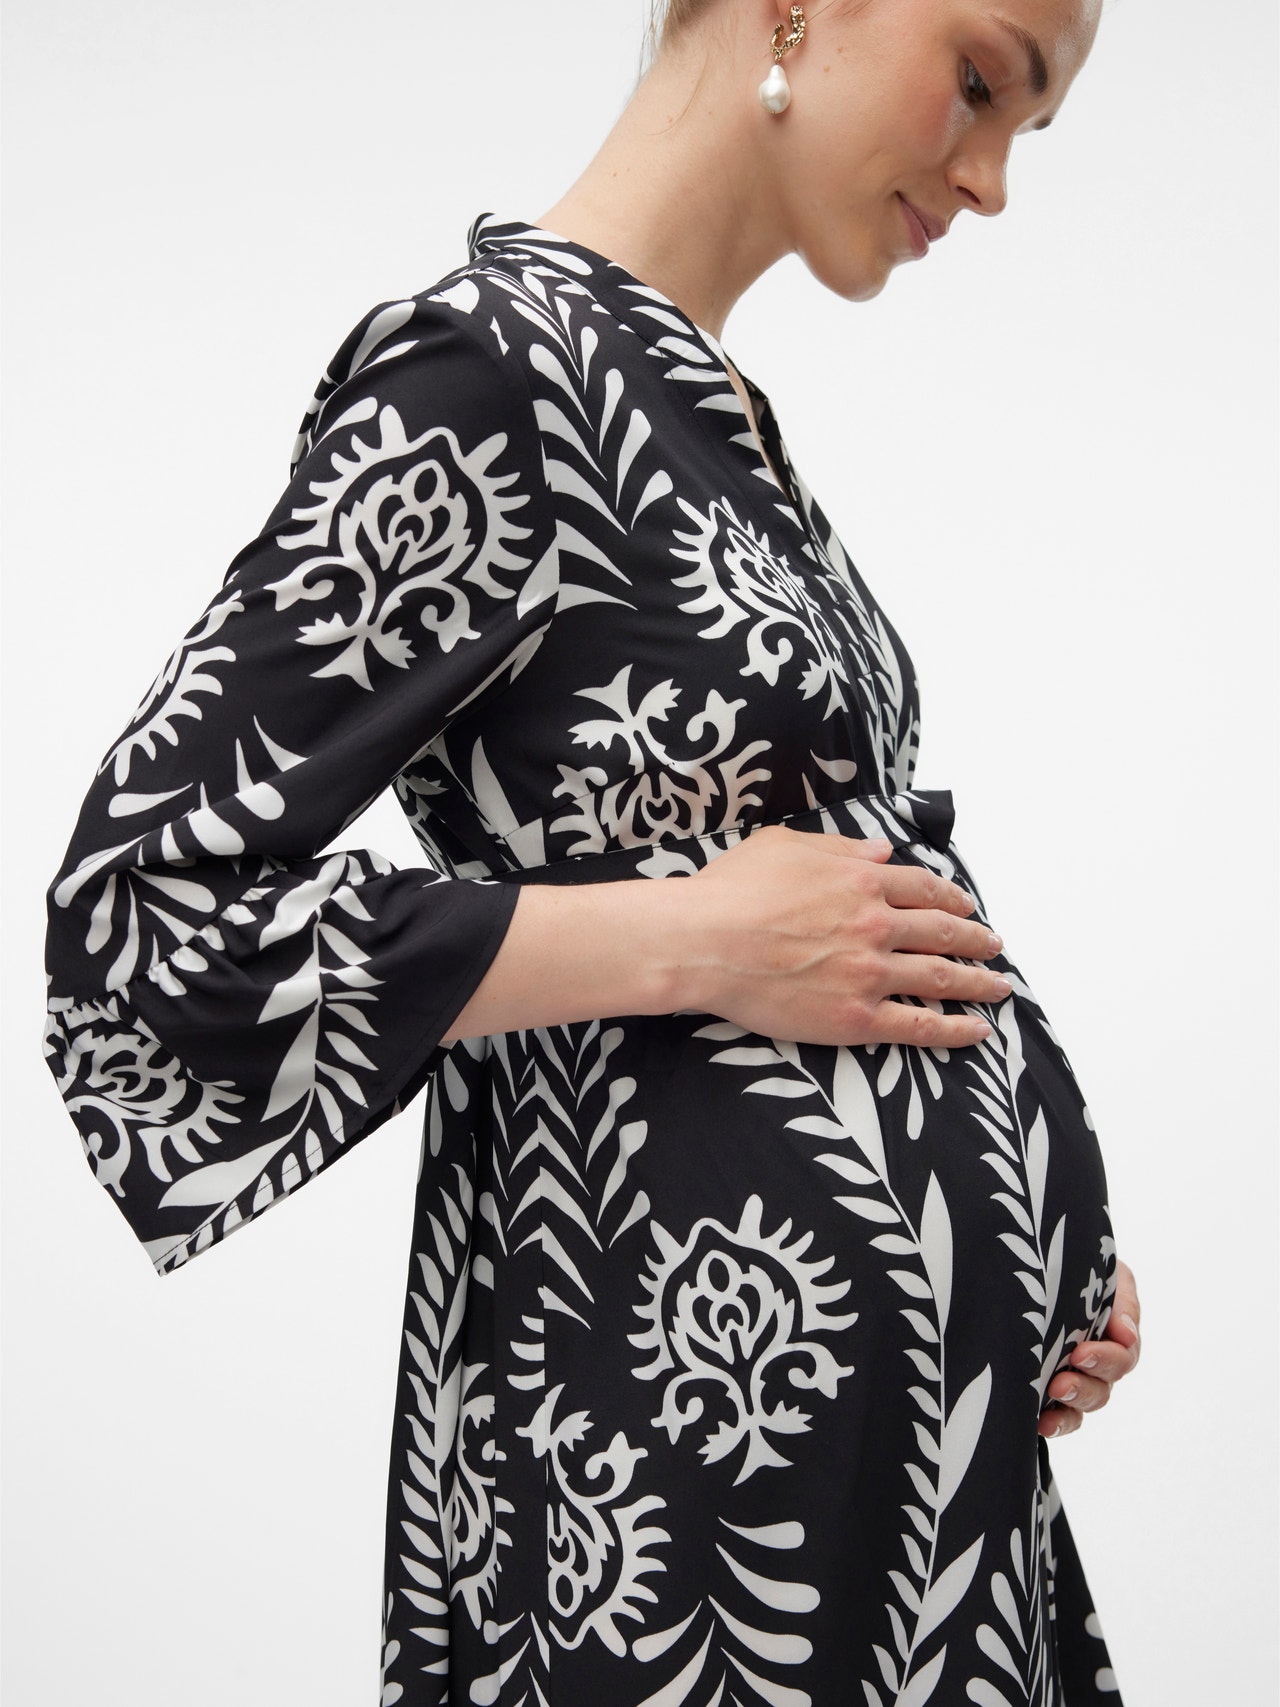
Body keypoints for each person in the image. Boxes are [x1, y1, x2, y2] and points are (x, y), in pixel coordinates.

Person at [41, 0, 1143, 1699]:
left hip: (909, 1477)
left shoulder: (703, 404)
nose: (992, 180)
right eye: (984, 79)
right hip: (684, 1474)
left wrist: (1034, 1210)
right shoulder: (492, 375)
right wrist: (695, 938)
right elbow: (145, 922)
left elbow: (837, 878)